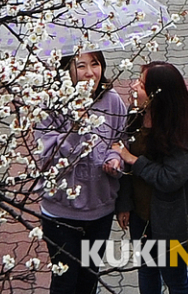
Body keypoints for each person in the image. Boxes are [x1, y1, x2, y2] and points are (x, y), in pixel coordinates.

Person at [34, 50, 128, 294]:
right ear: (66, 70)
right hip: (60, 211)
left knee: (89, 279)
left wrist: (114, 159)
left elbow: (120, 142)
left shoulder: (112, 100)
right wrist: (75, 129)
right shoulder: (50, 103)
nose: (90, 73)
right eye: (81, 66)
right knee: (65, 281)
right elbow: (46, 156)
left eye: (95, 64)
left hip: (99, 210)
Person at [113, 61, 188, 294]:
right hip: (140, 216)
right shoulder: (135, 117)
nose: (134, 86)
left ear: (158, 94)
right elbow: (124, 164)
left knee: (175, 278)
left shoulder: (180, 131)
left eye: (142, 84)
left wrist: (136, 160)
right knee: (146, 270)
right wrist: (124, 204)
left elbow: (172, 177)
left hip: (172, 222)